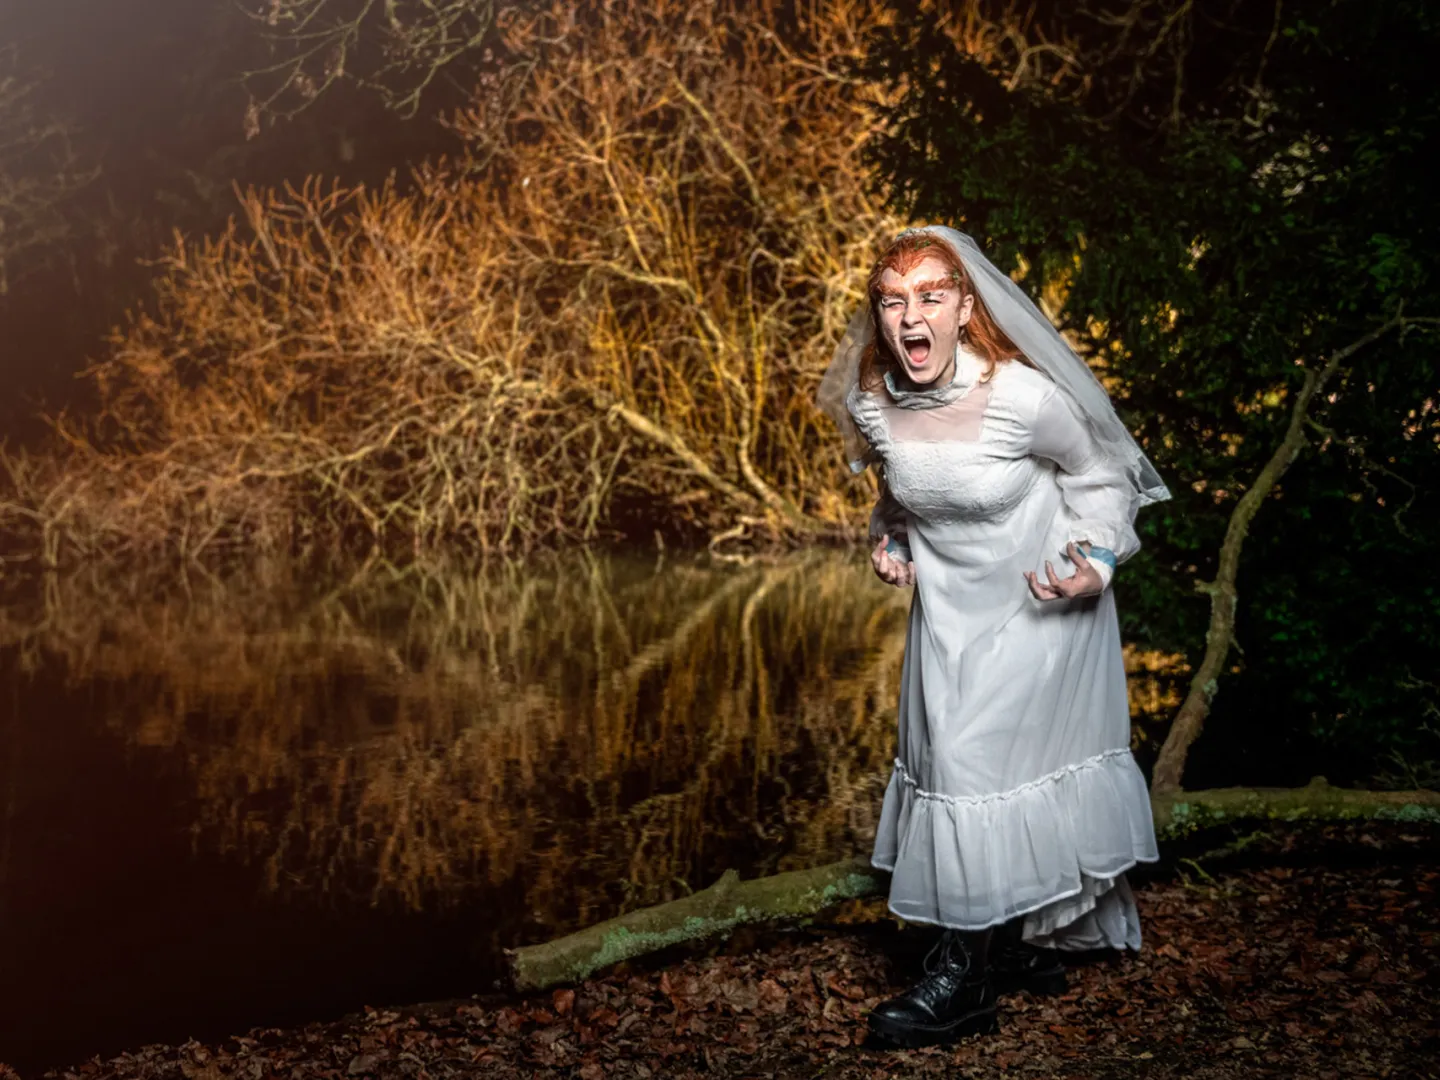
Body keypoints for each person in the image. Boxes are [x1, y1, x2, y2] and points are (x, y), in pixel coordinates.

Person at [816, 226, 1171, 1048]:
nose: (912, 315)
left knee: (974, 767)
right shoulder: (874, 401)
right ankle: (1011, 944)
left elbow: (1103, 476)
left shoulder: (1022, 397)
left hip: (1041, 603)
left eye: (931, 296)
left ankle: (961, 980)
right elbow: (906, 496)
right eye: (894, 300)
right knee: (952, 766)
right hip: (949, 616)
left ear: (965, 307)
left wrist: (1097, 561)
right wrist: (893, 540)